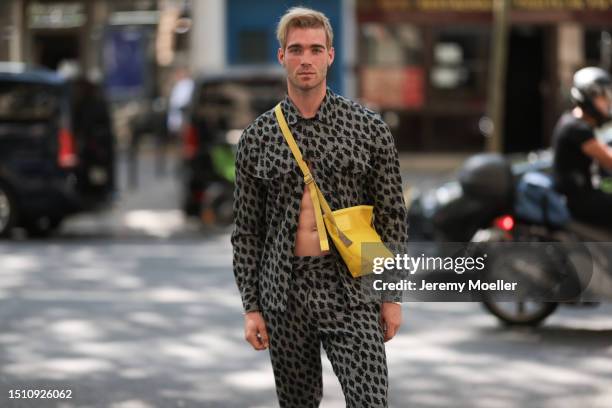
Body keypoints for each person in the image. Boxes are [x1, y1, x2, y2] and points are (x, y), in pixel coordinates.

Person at [231, 7, 407, 408]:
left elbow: (392, 216)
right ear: (282, 57)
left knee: (370, 401)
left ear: (330, 55)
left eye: (315, 49)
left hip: (350, 287)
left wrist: (391, 294)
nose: (305, 59)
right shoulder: (258, 138)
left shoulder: (367, 127)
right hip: (285, 292)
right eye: (296, 50)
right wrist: (251, 307)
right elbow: (246, 232)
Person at [552, 66, 612, 229]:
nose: (607, 103)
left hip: (580, 195)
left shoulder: (574, 122)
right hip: (577, 200)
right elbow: (608, 159)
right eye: (602, 97)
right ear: (587, 97)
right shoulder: (577, 128)